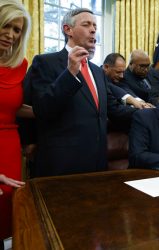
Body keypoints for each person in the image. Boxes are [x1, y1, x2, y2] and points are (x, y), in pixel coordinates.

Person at [29, 8, 135, 177]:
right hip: (61, 165)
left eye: (95, 26)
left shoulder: (98, 72)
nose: (93, 30)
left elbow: (113, 109)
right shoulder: (45, 62)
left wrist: (153, 114)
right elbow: (42, 109)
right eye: (86, 25)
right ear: (68, 30)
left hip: (98, 164)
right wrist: (70, 73)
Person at [0, 0, 32, 242]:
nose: (10, 35)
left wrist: (51, 111)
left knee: (6, 214)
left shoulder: (20, 65)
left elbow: (12, 105)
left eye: (17, 30)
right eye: (6, 26)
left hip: (9, 145)